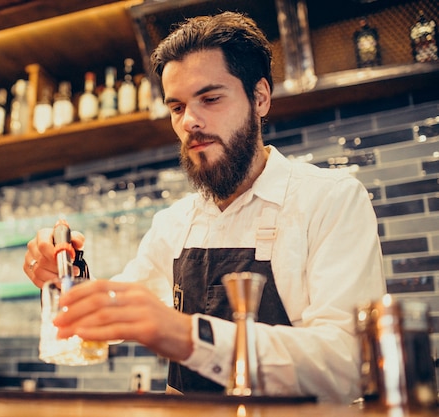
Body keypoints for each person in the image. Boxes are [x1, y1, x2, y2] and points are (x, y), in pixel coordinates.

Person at [24, 11, 385, 403]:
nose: (190, 121)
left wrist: (186, 335)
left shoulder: (330, 200)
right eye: (177, 107)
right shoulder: (174, 224)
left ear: (260, 97)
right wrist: (67, 278)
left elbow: (350, 362)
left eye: (210, 98)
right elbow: (116, 311)